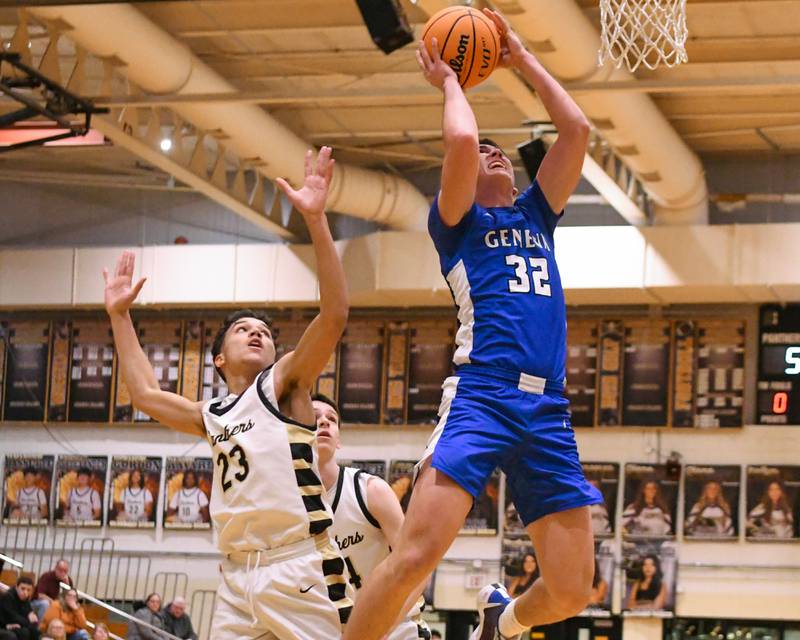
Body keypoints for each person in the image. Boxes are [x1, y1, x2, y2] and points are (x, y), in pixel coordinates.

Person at [342, 11, 600, 640]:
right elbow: (460, 140)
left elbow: (577, 129)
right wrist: (451, 80)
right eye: (487, 152)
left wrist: (521, 57)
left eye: (500, 151)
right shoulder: (457, 226)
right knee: (414, 557)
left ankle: (501, 622)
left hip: (548, 408)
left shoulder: (536, 215)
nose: (493, 152)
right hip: (483, 395)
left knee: (572, 590)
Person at [103, 146, 352, 639]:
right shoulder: (212, 412)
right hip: (237, 575)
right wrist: (119, 316)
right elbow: (145, 394)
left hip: (299, 565)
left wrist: (316, 220)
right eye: (243, 329)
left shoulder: (284, 383)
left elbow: (334, 315)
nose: (256, 333)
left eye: (264, 331)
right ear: (218, 359)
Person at [313, 394, 431, 640]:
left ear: (338, 440)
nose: (324, 422)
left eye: (332, 419)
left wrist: (380, 628)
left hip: (395, 630)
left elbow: (419, 568)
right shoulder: (287, 504)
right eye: (314, 418)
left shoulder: (370, 491)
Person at [0, 575, 40, 640]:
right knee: (23, 633)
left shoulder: (25, 599)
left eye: (28, 590)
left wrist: (33, 620)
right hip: (4, 625)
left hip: (16, 624)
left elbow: (32, 617)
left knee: (35, 631)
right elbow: (12, 617)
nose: (25, 592)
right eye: (23, 588)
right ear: (16, 587)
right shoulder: (8, 596)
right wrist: (28, 621)